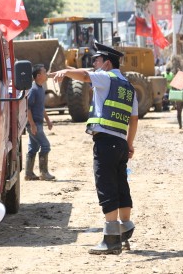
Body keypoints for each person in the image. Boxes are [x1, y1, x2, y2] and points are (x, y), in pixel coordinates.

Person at [51, 42, 138, 255]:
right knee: (120, 185)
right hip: (119, 142)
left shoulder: (105, 77)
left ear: (107, 63)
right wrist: (129, 144)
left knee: (106, 185)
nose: (94, 66)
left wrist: (67, 72)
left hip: (105, 142)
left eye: (96, 62)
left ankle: (110, 240)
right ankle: (125, 226)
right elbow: (134, 120)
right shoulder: (128, 85)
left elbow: (85, 76)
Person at [25, 64, 55, 181]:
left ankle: (29, 174)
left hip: (38, 123)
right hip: (34, 124)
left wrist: (48, 120)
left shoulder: (41, 88)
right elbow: (28, 108)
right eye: (44, 72)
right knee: (46, 146)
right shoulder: (33, 90)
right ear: (38, 76)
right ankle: (44, 173)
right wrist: (32, 125)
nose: (46, 73)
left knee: (33, 148)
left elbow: (41, 107)